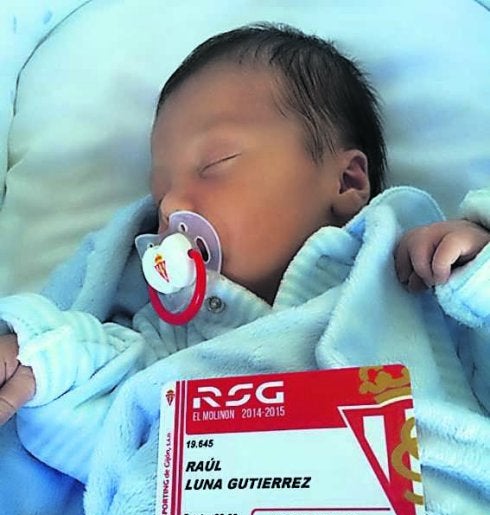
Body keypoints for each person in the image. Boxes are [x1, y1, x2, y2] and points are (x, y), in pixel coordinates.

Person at [0, 23, 488, 444]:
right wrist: (46, 360)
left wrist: (478, 267)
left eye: (215, 163)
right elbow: (110, 437)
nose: (169, 206)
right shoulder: (166, 339)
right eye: (160, 190)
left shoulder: (411, 280)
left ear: (346, 181)